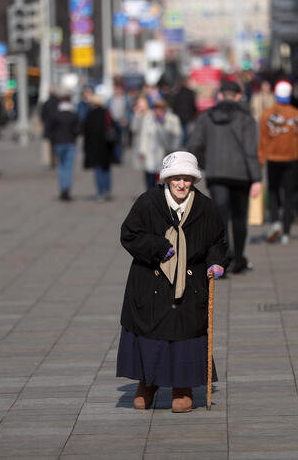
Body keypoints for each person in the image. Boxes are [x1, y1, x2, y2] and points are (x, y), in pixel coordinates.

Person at [117, 151, 228, 413]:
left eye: (187, 179)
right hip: (150, 282)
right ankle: (147, 384)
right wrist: (157, 247)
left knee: (184, 333)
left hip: (190, 285)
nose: (181, 184)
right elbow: (129, 235)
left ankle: (183, 387)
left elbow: (218, 240)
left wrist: (216, 261)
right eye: (176, 178)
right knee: (151, 333)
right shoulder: (148, 202)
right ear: (167, 179)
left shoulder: (205, 207)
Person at [186, 80, 262, 274]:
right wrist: (257, 178)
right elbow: (251, 150)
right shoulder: (246, 118)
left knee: (220, 218)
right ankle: (238, 261)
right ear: (238, 96)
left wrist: (206, 163)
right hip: (241, 175)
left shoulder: (206, 117)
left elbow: (193, 146)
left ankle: (222, 262)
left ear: (219, 95)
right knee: (239, 217)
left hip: (216, 174)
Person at [258, 80, 298, 244]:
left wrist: (261, 159)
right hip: (292, 158)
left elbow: (263, 140)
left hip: (273, 158)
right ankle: (286, 232)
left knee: (273, 192)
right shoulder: (297, 114)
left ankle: (275, 222)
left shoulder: (266, 115)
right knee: (289, 194)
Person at [134, 98, 182, 191]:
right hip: (151, 153)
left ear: (164, 109)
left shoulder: (172, 119)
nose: (157, 110)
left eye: (160, 108)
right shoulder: (149, 119)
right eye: (156, 108)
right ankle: (150, 198)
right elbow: (144, 136)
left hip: (167, 154)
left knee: (165, 180)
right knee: (150, 179)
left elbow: (177, 136)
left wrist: (174, 149)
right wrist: (142, 151)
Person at [82, 94, 117, 201]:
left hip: (95, 146)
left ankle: (100, 192)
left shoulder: (90, 114)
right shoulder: (106, 112)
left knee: (98, 170)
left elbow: (86, 131)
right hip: (107, 145)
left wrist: (86, 148)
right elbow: (114, 126)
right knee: (106, 169)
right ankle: (107, 190)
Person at [50, 93, 80, 201]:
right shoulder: (73, 114)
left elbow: (51, 129)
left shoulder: (56, 115)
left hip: (59, 143)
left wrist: (54, 140)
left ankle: (63, 189)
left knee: (61, 167)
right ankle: (67, 190)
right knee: (68, 167)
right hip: (70, 143)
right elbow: (77, 130)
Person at [171, 77, 198, 145]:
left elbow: (174, 105)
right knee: (186, 131)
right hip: (187, 115)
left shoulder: (177, 93)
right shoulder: (190, 93)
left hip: (179, 115)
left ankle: (182, 143)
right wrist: (193, 113)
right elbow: (193, 104)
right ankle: (185, 143)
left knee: (180, 131)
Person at [40, 89, 59, 169]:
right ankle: (57, 160)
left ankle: (52, 161)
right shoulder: (59, 102)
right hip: (58, 127)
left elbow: (42, 115)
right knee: (58, 144)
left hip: (49, 127)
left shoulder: (46, 103)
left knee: (51, 145)